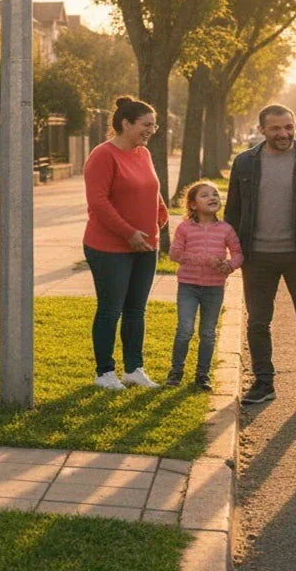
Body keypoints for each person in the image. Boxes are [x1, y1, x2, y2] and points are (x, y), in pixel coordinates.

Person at [225, 103, 296, 407]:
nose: (284, 133)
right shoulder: (245, 162)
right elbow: (233, 211)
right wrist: (235, 251)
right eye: (276, 128)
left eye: (288, 126)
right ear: (261, 130)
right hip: (257, 256)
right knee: (258, 322)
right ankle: (263, 383)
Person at [81, 96, 169, 390]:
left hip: (145, 246)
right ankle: (104, 373)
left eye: (154, 125)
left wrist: (160, 212)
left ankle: (134, 369)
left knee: (136, 310)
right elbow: (98, 202)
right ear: (126, 123)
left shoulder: (142, 153)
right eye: (146, 125)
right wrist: (128, 232)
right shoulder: (102, 155)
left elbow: (150, 187)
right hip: (110, 247)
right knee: (110, 309)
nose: (151, 130)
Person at [167, 180, 243, 391]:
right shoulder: (184, 228)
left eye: (215, 194)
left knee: (208, 332)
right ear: (192, 205)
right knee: (185, 329)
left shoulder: (226, 229)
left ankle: (203, 374)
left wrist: (229, 266)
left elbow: (238, 253)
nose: (212, 198)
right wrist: (205, 260)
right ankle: (176, 372)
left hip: (214, 287)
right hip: (188, 287)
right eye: (205, 195)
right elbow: (175, 254)